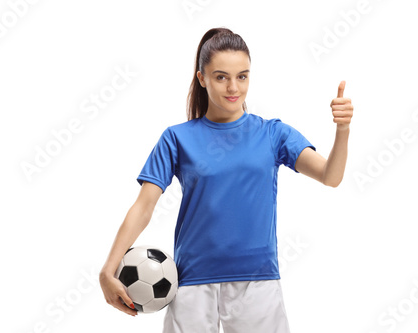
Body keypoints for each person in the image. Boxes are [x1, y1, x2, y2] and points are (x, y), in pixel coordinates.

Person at [99, 27, 353, 333]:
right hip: (192, 283)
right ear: (202, 78)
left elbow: (331, 176)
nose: (233, 87)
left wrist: (342, 130)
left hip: (258, 284)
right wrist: (107, 270)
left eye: (242, 76)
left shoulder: (273, 134)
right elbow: (144, 206)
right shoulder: (177, 138)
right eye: (221, 77)